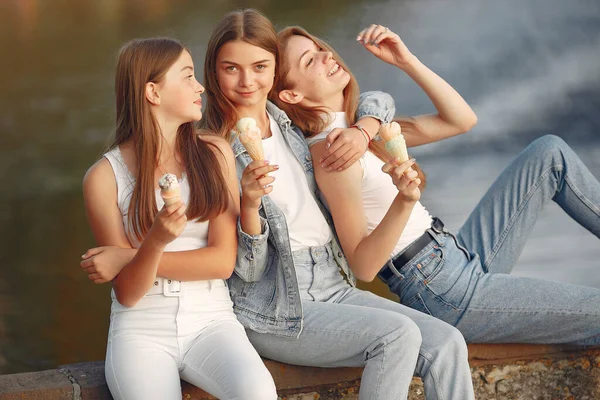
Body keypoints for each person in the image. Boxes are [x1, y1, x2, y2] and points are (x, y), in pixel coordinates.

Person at [201, 9, 475, 400]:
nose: (247, 81)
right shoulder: (216, 151)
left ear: (275, 73)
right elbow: (244, 269)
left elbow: (371, 100)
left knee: (446, 342)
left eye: (260, 67)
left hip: (335, 283)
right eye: (231, 69)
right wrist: (248, 205)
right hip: (276, 305)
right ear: (215, 73)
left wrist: (365, 130)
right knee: (397, 335)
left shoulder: (291, 128)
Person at [274, 23, 600, 346]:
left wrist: (406, 61)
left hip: (455, 255)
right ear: (292, 94)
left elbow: (460, 119)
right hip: (439, 287)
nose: (326, 55)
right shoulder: (334, 155)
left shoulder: (358, 130)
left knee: (549, 154)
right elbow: (364, 266)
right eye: (309, 60)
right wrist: (404, 200)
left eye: (320, 48)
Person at [80, 37, 277, 400]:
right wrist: (155, 239)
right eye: (187, 76)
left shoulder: (214, 152)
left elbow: (221, 262)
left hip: (213, 320)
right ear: (153, 92)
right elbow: (128, 291)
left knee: (259, 394)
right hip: (142, 330)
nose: (199, 85)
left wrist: (127, 256)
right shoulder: (103, 177)